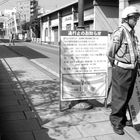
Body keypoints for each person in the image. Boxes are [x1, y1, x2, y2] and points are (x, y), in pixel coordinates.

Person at [107, 6, 140, 135]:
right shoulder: (120, 32)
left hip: (132, 70)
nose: (136, 20)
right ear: (126, 18)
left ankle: (123, 119)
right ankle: (116, 122)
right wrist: (116, 66)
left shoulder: (132, 33)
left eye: (137, 17)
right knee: (119, 97)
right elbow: (110, 52)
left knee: (127, 97)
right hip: (121, 70)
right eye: (134, 17)